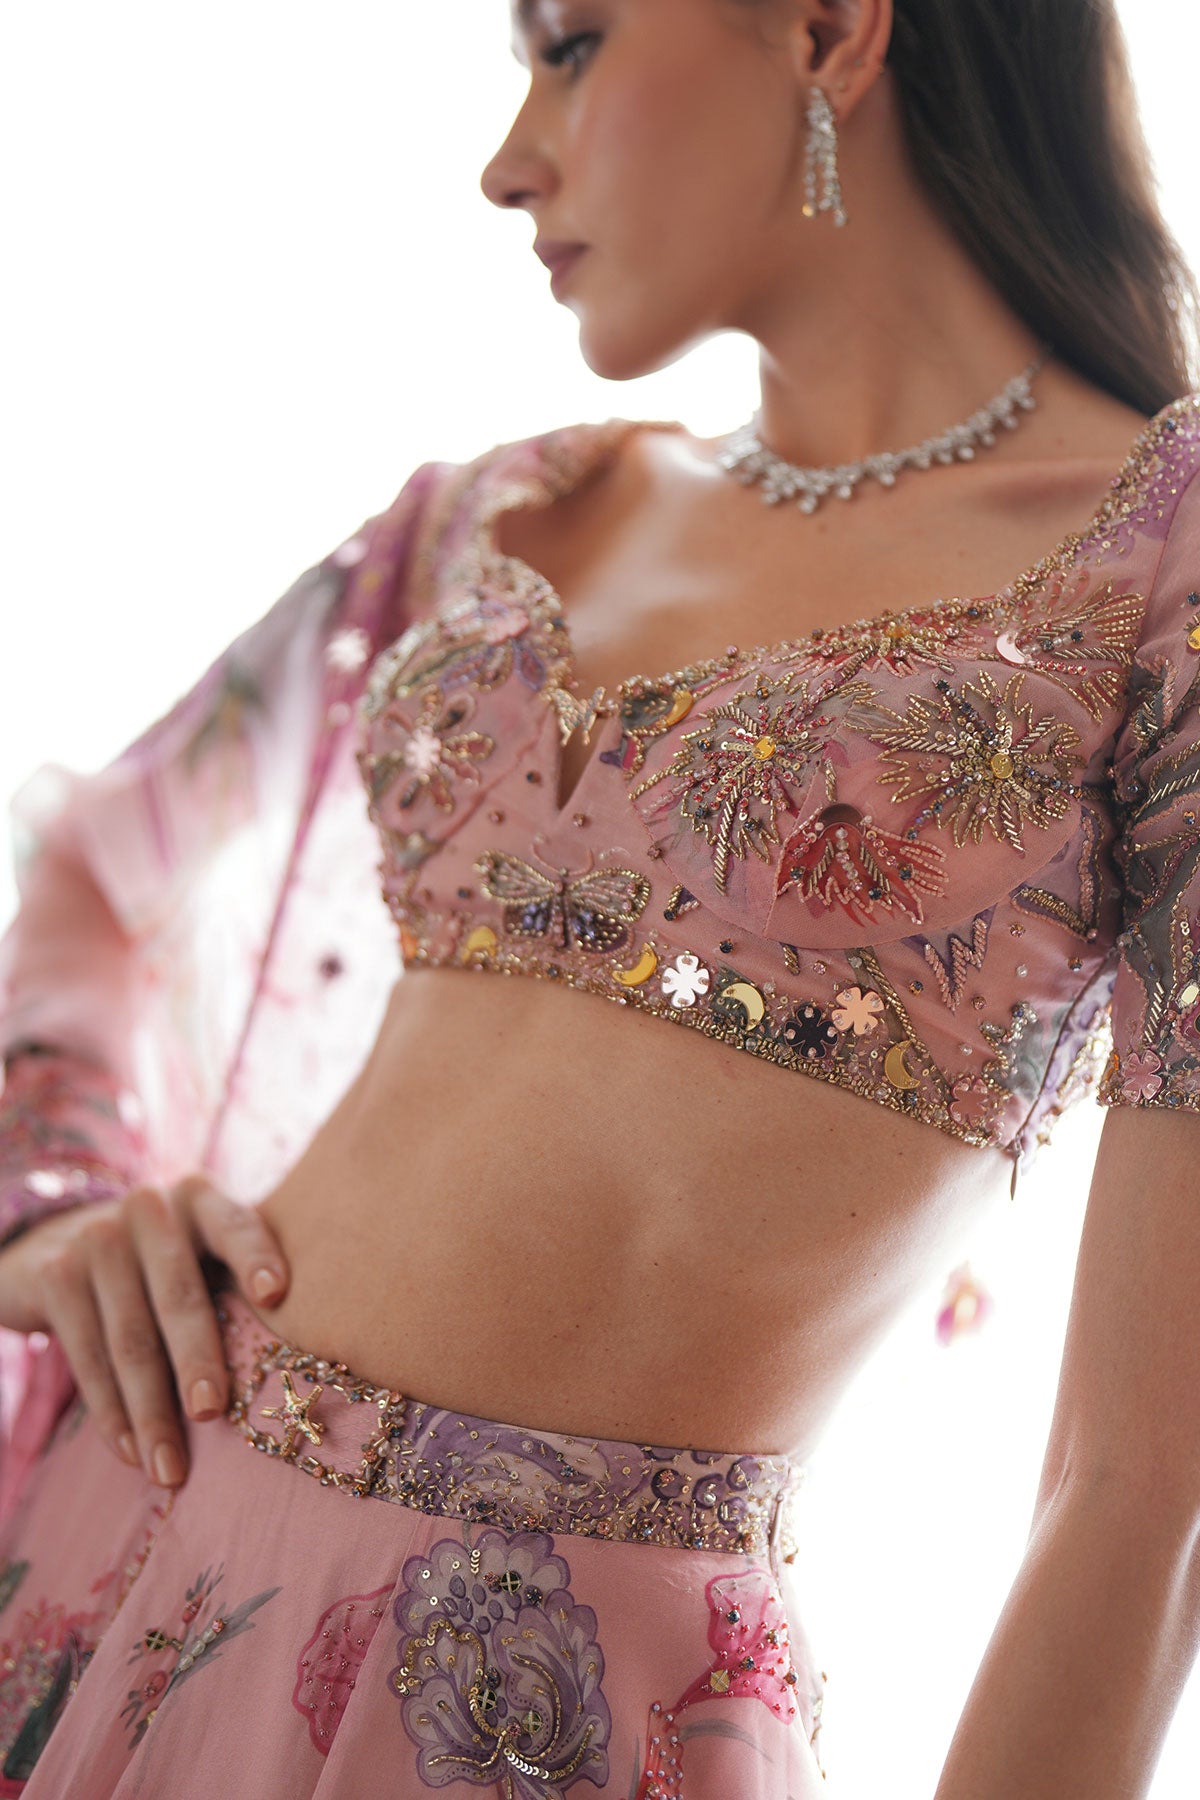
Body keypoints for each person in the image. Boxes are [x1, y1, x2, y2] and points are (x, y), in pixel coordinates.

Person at [1, 0, 1199, 1793]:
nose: (506, 165)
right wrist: (54, 1199)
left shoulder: (1162, 570)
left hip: (533, 1712)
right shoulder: (500, 516)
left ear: (829, 29)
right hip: (116, 1551)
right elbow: (99, 861)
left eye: (568, 43)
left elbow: (1140, 1490)